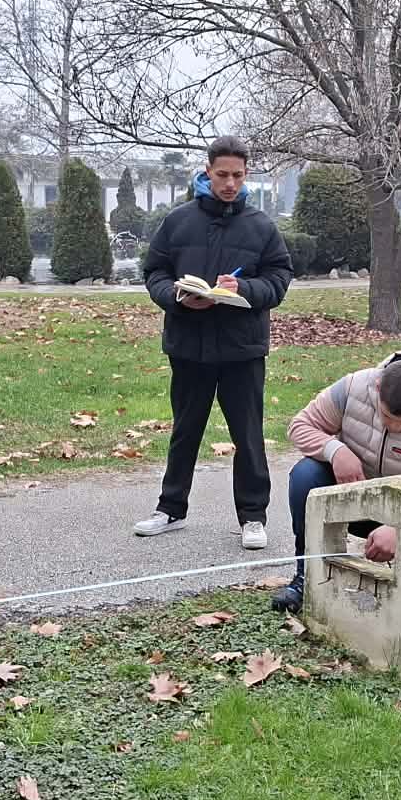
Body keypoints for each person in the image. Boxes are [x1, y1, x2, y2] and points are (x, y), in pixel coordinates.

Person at [132, 136, 294, 549]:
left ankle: (253, 517)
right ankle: (170, 509)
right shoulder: (178, 221)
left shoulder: (261, 226)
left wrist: (243, 288)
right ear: (208, 171)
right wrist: (178, 297)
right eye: (222, 175)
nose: (229, 183)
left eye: (237, 176)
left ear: (246, 175)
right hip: (189, 345)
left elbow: (278, 280)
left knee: (248, 434)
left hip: (243, 349)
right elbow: (155, 273)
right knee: (185, 430)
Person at [268, 352, 401, 617]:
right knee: (305, 474)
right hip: (353, 498)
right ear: (378, 387)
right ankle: (307, 576)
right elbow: (300, 425)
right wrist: (335, 450)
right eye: (387, 416)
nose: (394, 426)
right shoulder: (352, 387)